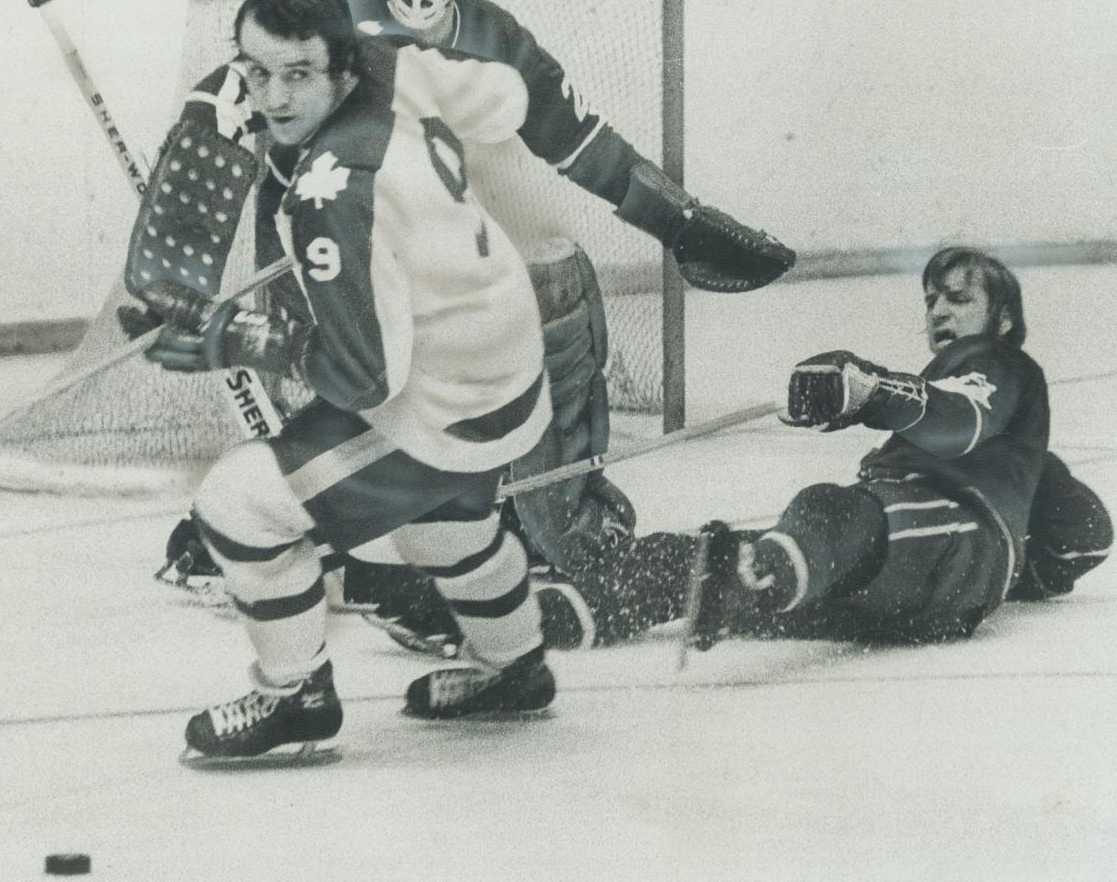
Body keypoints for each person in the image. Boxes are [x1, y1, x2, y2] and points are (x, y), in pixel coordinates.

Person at [154, 0, 796, 641]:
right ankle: (326, 532)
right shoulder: (333, 25)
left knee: (548, 333)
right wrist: (197, 236)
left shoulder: (495, 39)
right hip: (357, 266)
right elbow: (241, 102)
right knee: (356, 405)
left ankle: (571, 532)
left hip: (474, 277)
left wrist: (679, 223)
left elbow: (582, 144)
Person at [128, 0, 563, 759]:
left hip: (442, 401)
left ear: (341, 70)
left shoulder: (333, 193)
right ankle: (514, 666)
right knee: (444, 529)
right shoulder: (399, 62)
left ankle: (293, 697)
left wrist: (237, 340)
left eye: (298, 75)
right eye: (255, 72)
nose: (272, 97)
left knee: (237, 507)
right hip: (504, 357)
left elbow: (362, 381)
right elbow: (504, 96)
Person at [366, 247, 1111, 654]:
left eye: (957, 297)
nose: (938, 311)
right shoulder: (1019, 455)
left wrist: (871, 391)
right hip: (889, 580)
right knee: (678, 567)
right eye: (930, 300)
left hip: (941, 548)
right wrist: (1032, 567)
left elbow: (957, 418)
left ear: (1002, 318)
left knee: (827, 510)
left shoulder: (1004, 369)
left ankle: (758, 573)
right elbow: (1088, 533)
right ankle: (500, 616)